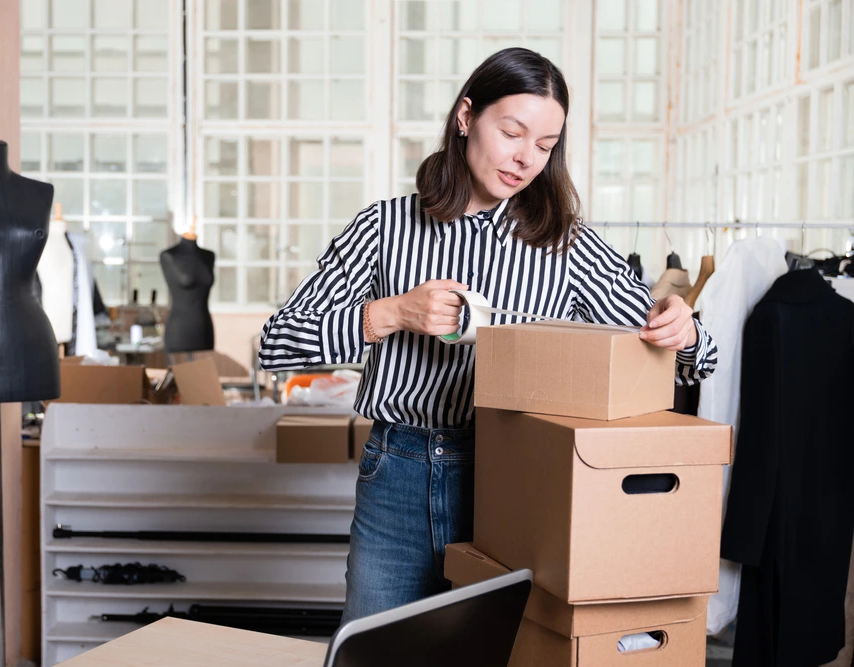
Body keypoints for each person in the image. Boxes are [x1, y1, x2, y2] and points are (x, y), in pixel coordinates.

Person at [258, 48, 718, 622]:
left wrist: (684, 328)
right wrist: (392, 314)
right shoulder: (385, 227)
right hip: (397, 471)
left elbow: (690, 356)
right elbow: (276, 343)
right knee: (374, 650)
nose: (526, 159)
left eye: (546, 146)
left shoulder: (565, 245)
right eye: (512, 133)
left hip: (513, 479)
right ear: (465, 116)